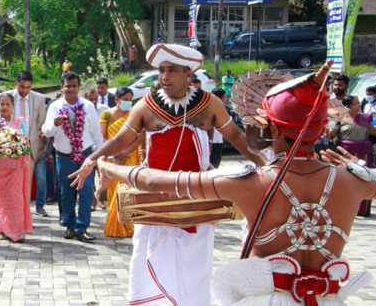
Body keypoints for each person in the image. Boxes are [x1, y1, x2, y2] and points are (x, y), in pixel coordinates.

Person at [90, 61, 376, 306]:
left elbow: (167, 181)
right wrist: (360, 170)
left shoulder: (250, 181)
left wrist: (110, 169)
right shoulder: (351, 181)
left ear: (273, 129)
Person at [68, 43, 266, 306]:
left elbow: (238, 139)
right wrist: (91, 159)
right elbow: (120, 139)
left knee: (194, 272)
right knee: (146, 264)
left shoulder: (210, 104)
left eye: (172, 70)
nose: (164, 76)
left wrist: (268, 165)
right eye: (162, 70)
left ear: (188, 73)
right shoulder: (146, 105)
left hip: (196, 200)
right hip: (153, 201)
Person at [42, 72, 105, 242]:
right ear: (62, 88)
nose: (70, 89)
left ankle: (82, 227)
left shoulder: (87, 106)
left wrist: (99, 156)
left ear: (79, 87)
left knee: (85, 192)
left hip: (85, 155)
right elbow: (47, 131)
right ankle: (69, 226)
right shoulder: (55, 106)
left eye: (74, 86)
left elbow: (96, 133)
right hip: (64, 156)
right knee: (66, 191)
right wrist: (55, 123)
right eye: (67, 86)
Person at [0, 71, 49, 216]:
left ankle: (24, 215)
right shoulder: (4, 97)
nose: (24, 90)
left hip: (30, 149)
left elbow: (41, 123)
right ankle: (8, 212)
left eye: (28, 87)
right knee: (10, 184)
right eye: (21, 87)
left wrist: (43, 138)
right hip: (7, 149)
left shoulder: (39, 98)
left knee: (26, 183)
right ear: (15, 83)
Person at [0, 93, 33, 242]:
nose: (4, 107)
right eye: (2, 104)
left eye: (7, 104)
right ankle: (3, 229)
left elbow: (25, 141)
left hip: (16, 168)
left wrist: (14, 141)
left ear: (12, 107)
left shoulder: (19, 121)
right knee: (1, 199)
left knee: (16, 198)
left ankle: (17, 230)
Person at [327, 95, 376, 217]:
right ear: (348, 106)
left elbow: (374, 131)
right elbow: (330, 135)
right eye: (356, 103)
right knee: (344, 180)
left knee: (364, 179)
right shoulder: (340, 118)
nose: (359, 105)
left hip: (364, 153)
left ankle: (362, 209)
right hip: (344, 152)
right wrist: (334, 126)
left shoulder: (366, 117)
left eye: (359, 103)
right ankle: (342, 208)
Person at [98, 86, 140, 238]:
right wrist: (117, 152)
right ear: (116, 99)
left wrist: (126, 151)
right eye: (125, 99)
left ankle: (128, 226)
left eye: (130, 100)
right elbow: (103, 136)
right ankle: (115, 225)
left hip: (131, 156)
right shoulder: (106, 114)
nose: (128, 102)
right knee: (114, 189)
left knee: (127, 190)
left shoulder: (134, 115)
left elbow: (139, 137)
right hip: (112, 157)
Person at [209, 88, 229, 169]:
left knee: (215, 165)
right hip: (211, 142)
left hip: (218, 141)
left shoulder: (223, 109)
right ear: (218, 97)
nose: (225, 99)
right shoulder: (209, 109)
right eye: (224, 97)